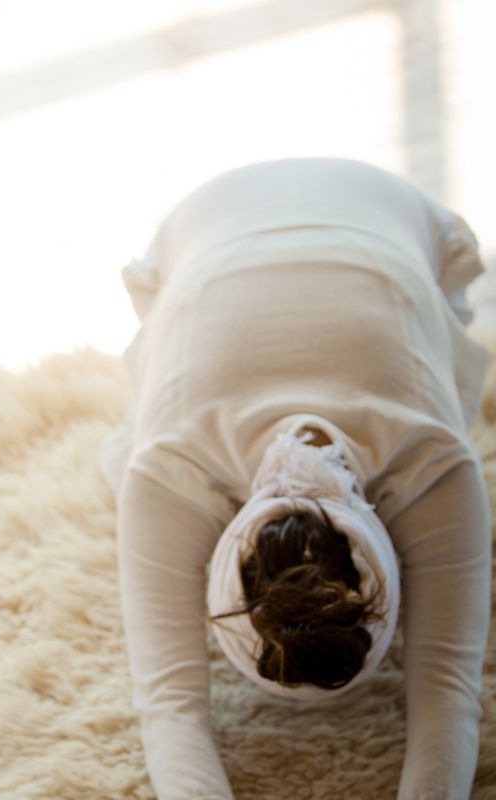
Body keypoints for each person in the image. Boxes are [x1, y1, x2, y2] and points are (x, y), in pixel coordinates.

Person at [98, 157, 493, 800]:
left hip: (386, 218)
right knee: (125, 460)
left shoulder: (434, 460)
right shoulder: (168, 471)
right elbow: (168, 704)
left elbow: (451, 692)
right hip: (208, 228)